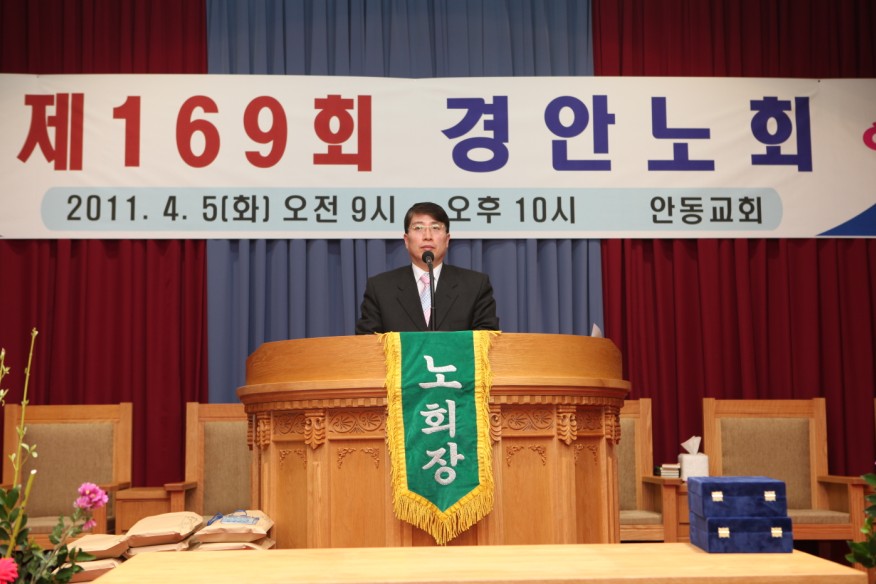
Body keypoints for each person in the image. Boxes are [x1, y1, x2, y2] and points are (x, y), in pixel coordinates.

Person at [355, 202, 500, 334]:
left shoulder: (475, 285)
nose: (427, 236)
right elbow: (366, 342)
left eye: (435, 228)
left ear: (447, 240)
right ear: (406, 240)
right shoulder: (380, 288)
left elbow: (487, 338)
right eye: (418, 228)